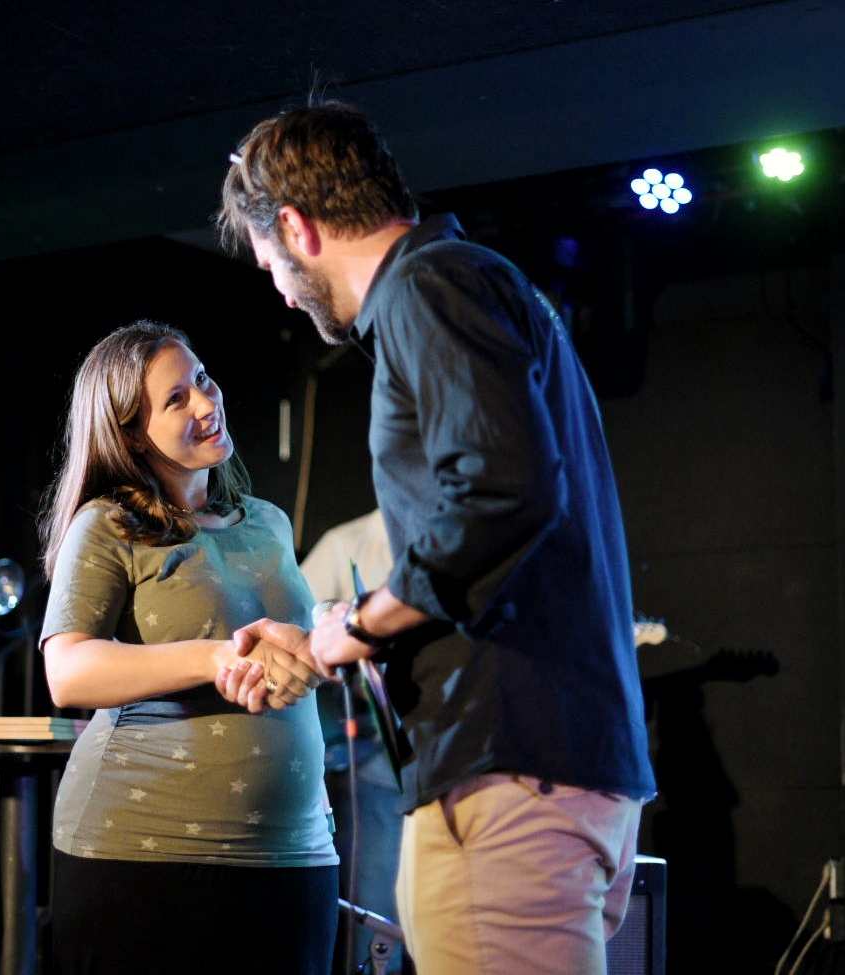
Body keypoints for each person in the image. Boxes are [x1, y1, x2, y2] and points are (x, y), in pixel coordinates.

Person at [218, 101, 657, 975]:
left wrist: (357, 627)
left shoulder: (428, 286)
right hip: (551, 759)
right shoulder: (472, 282)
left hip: (506, 768)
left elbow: (499, 495)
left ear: (296, 228)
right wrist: (332, 633)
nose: (280, 289)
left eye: (268, 263)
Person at [37, 319, 337, 975]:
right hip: (148, 850)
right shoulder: (108, 524)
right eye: (176, 399)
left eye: (202, 379)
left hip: (295, 849)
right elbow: (68, 670)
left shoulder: (268, 522)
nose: (206, 402)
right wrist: (215, 656)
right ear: (129, 434)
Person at [298, 509, 408, 975]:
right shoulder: (348, 542)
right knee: (376, 919)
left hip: (447, 760)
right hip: (372, 764)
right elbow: (297, 633)